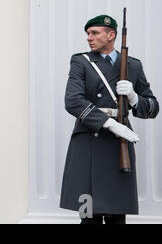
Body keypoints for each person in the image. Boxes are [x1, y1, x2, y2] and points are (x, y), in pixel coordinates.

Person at [60, 15, 159, 224]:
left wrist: (134, 97)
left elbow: (152, 109)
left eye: (94, 33)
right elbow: (73, 101)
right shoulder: (81, 61)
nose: (89, 38)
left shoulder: (133, 65)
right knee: (87, 216)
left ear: (111, 35)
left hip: (118, 145)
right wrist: (110, 123)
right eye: (87, 34)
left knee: (117, 216)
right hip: (88, 141)